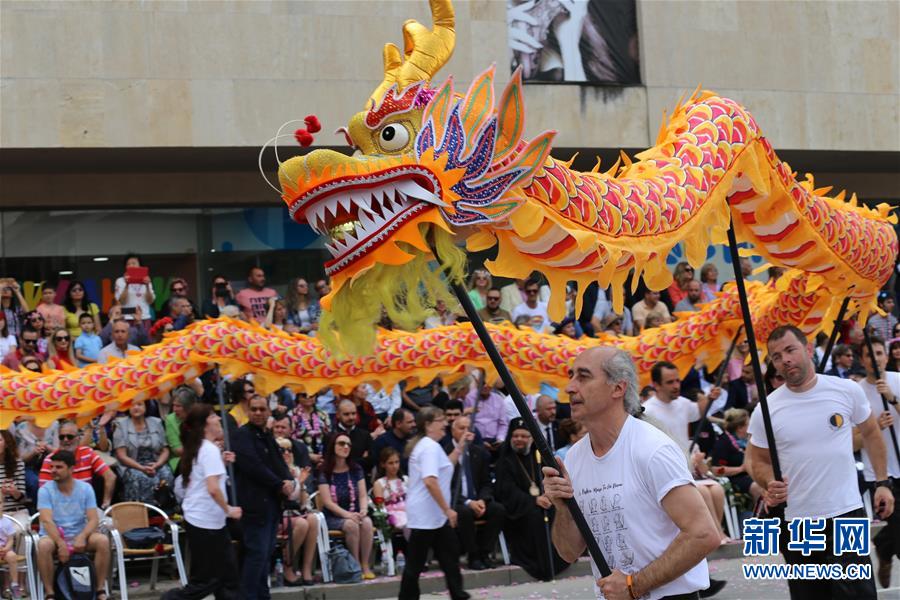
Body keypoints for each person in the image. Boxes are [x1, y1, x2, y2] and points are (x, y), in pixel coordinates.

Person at [542, 346, 720, 599]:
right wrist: (562, 509)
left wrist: (633, 584)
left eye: (583, 376)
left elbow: (703, 534)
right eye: (571, 376)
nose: (570, 387)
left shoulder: (652, 449)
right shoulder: (574, 457)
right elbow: (569, 552)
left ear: (618, 388)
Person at [748, 325, 892, 600]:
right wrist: (769, 482)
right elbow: (758, 460)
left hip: (847, 513)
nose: (785, 360)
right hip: (798, 523)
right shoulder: (766, 409)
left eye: (790, 350)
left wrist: (882, 483)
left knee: (859, 594)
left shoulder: (846, 390)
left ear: (808, 348)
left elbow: (872, 434)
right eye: (776, 356)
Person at [164, 405, 242, 600]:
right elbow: (213, 489)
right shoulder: (208, 450)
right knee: (208, 580)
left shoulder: (204, 448)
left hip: (206, 521)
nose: (218, 419)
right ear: (206, 423)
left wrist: (221, 465)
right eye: (214, 416)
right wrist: (229, 510)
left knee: (227, 576)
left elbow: (201, 480)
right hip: (205, 521)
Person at [398, 407, 469, 600]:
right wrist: (448, 509)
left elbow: (446, 466)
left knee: (450, 558)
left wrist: (460, 447)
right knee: (415, 563)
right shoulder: (429, 447)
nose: (445, 423)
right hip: (426, 515)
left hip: (435, 516)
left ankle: (459, 594)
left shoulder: (430, 446)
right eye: (440, 420)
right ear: (428, 425)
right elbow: (430, 481)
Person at [232, 394, 295, 599]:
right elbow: (253, 466)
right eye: (254, 409)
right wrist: (279, 484)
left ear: (268, 411)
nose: (258, 413)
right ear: (248, 411)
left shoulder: (266, 435)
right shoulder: (241, 436)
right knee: (256, 554)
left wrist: (288, 481)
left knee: (266, 554)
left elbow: (278, 463)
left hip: (271, 505)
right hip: (253, 505)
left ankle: (262, 595)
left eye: (262, 409)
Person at [495, 418, 570, 581]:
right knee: (535, 516)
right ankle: (540, 563)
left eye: (524, 436)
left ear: (531, 438)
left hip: (544, 501)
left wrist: (547, 496)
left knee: (556, 511)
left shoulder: (538, 455)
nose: (519, 440)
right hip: (519, 509)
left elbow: (550, 478)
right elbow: (506, 490)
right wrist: (533, 500)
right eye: (516, 436)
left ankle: (558, 558)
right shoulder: (505, 459)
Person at [35, 450, 111, 600]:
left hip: (79, 533)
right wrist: (60, 543)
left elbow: (93, 519)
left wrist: (82, 536)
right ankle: (50, 593)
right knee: (43, 546)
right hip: (54, 536)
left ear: (71, 469)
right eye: (52, 467)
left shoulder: (85, 488)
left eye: (58, 467)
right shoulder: (45, 490)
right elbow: (46, 520)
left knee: (102, 541)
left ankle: (99, 589)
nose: (53, 471)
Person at [855, 336, 900, 588]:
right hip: (879, 474)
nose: (876, 359)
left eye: (880, 353)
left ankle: (883, 545)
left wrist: (892, 398)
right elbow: (851, 441)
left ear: (886, 355)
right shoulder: (856, 392)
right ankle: (886, 544)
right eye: (870, 355)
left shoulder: (897, 381)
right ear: (862, 360)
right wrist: (874, 428)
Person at [444, 416, 505, 571]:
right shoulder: (445, 452)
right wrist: (468, 502)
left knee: (498, 509)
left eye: (468, 429)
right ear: (453, 431)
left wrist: (483, 500)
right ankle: (473, 555)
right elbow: (446, 485)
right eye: (461, 428)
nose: (466, 432)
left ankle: (485, 553)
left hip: (477, 499)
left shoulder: (479, 452)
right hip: (455, 501)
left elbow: (486, 482)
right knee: (464, 512)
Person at [316, 432, 376, 580]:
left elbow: (362, 495)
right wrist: (348, 515)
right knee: (351, 525)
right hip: (333, 516)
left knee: (367, 522)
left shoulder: (356, 469)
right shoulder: (325, 471)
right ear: (332, 447)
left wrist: (363, 510)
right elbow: (328, 502)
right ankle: (354, 565)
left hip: (355, 511)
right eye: (341, 443)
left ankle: (365, 565)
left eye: (348, 444)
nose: (346, 447)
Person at [39, 421, 116, 510]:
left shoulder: (87, 453)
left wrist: (105, 503)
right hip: (59, 508)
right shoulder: (50, 460)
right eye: (62, 437)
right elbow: (43, 492)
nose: (65, 440)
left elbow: (110, 476)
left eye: (70, 437)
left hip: (85, 506)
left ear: (78, 438)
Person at [113, 399, 174, 504]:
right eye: (132, 405)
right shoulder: (120, 425)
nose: (136, 407)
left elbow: (165, 450)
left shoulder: (156, 422)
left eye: (139, 404)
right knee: (142, 478)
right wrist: (142, 468)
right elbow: (121, 455)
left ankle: (167, 508)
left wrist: (157, 464)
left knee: (166, 474)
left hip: (155, 463)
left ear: (146, 407)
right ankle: (144, 511)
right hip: (132, 465)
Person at [643, 361, 710, 450]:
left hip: (685, 461)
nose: (676, 386)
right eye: (670, 382)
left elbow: (699, 411)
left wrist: (709, 397)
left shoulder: (683, 403)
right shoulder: (647, 411)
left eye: (678, 381)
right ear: (656, 385)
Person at [710, 409, 762, 502]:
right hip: (735, 478)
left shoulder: (750, 440)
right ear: (740, 427)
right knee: (758, 487)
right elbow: (717, 470)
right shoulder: (723, 443)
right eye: (748, 424)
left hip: (752, 474)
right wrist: (741, 469)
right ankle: (761, 515)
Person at [464, 377, 509, 456]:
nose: (485, 386)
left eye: (488, 383)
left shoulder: (498, 399)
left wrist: (500, 439)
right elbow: (466, 423)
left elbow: (503, 424)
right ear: (477, 383)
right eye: (482, 383)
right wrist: (479, 441)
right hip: (476, 440)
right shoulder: (469, 398)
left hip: (495, 440)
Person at [290, 389, 330, 468]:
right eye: (304, 395)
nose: (308, 397)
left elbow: (328, 435)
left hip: (321, 457)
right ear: (298, 397)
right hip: (300, 458)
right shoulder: (292, 415)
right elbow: (291, 439)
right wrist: (309, 456)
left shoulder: (323, 414)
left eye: (312, 394)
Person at [373, 447, 409, 533]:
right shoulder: (379, 483)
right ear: (383, 464)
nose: (395, 466)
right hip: (391, 516)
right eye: (391, 463)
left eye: (397, 462)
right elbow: (380, 506)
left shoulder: (406, 479)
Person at [115, 254, 155, 323]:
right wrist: (127, 285)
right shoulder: (120, 281)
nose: (131, 266)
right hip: (126, 317)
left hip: (144, 317)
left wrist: (147, 286)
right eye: (128, 264)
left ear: (140, 265)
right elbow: (121, 301)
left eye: (134, 263)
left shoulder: (146, 280)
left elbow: (150, 301)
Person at [373, 408, 415, 473]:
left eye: (413, 421)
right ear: (398, 424)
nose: (414, 425)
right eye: (409, 422)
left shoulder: (414, 439)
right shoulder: (382, 442)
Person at [0, 430, 28, 525]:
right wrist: (2, 493)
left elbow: (23, 499)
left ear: (7, 444)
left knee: (18, 531)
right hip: (1, 512)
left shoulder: (18, 464)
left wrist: (14, 492)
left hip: (17, 511)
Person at [165, 386, 196, 472]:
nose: (174, 409)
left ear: (188, 407)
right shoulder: (170, 419)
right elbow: (177, 450)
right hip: (180, 460)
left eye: (178, 406)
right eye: (173, 405)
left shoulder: (199, 416)